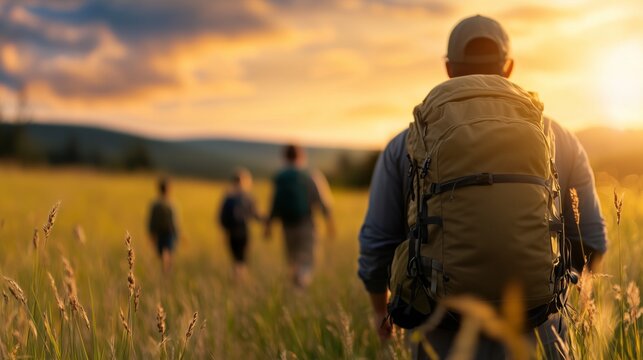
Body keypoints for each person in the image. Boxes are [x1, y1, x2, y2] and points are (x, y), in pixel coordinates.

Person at [358, 15, 607, 358]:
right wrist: (575, 305)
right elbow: (592, 238)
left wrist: (378, 311)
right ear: (509, 66)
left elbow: (377, 244)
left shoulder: (407, 143)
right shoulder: (558, 139)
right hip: (539, 333)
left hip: (441, 334)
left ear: (448, 68)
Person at [265, 144, 335, 288]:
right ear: (301, 156)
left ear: (285, 157)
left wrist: (268, 225)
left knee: (293, 260)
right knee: (307, 260)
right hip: (307, 225)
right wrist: (330, 223)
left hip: (287, 226)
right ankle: (301, 284)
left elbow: (273, 204)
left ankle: (296, 290)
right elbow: (323, 201)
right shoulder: (310, 175)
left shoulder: (280, 178)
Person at [218, 168, 263, 281]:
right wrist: (267, 221)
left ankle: (237, 277)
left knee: (235, 258)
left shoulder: (228, 197)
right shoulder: (248, 197)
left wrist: (224, 231)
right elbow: (256, 215)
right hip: (244, 232)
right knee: (242, 257)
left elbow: (221, 217)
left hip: (232, 232)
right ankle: (241, 278)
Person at [148, 177, 179, 274]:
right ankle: (167, 273)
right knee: (168, 254)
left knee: (163, 255)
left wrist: (151, 234)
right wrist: (177, 235)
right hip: (169, 234)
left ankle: (165, 272)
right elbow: (174, 222)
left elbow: (151, 221)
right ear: (168, 189)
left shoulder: (155, 204)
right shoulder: (171, 204)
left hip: (159, 234)